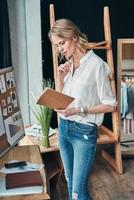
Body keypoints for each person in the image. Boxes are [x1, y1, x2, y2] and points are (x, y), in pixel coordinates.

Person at [48, 19, 116, 200]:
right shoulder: (68, 66)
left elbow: (110, 104)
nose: (60, 49)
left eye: (62, 43)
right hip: (64, 129)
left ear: (75, 37)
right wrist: (61, 78)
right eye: (56, 45)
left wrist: (79, 110)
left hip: (83, 133)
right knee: (70, 182)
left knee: (78, 193)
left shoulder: (97, 65)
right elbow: (63, 99)